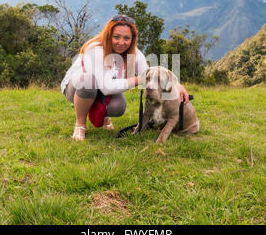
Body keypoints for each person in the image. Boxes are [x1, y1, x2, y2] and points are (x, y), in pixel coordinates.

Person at [60, 14, 189, 141]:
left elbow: (149, 73)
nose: (121, 42)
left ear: (132, 39)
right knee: (87, 81)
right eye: (116, 37)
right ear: (108, 35)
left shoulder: (134, 53)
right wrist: (139, 79)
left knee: (118, 106)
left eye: (126, 38)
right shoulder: (95, 49)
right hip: (77, 89)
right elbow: (106, 88)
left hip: (103, 91)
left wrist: (176, 84)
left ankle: (103, 114)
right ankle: (80, 125)